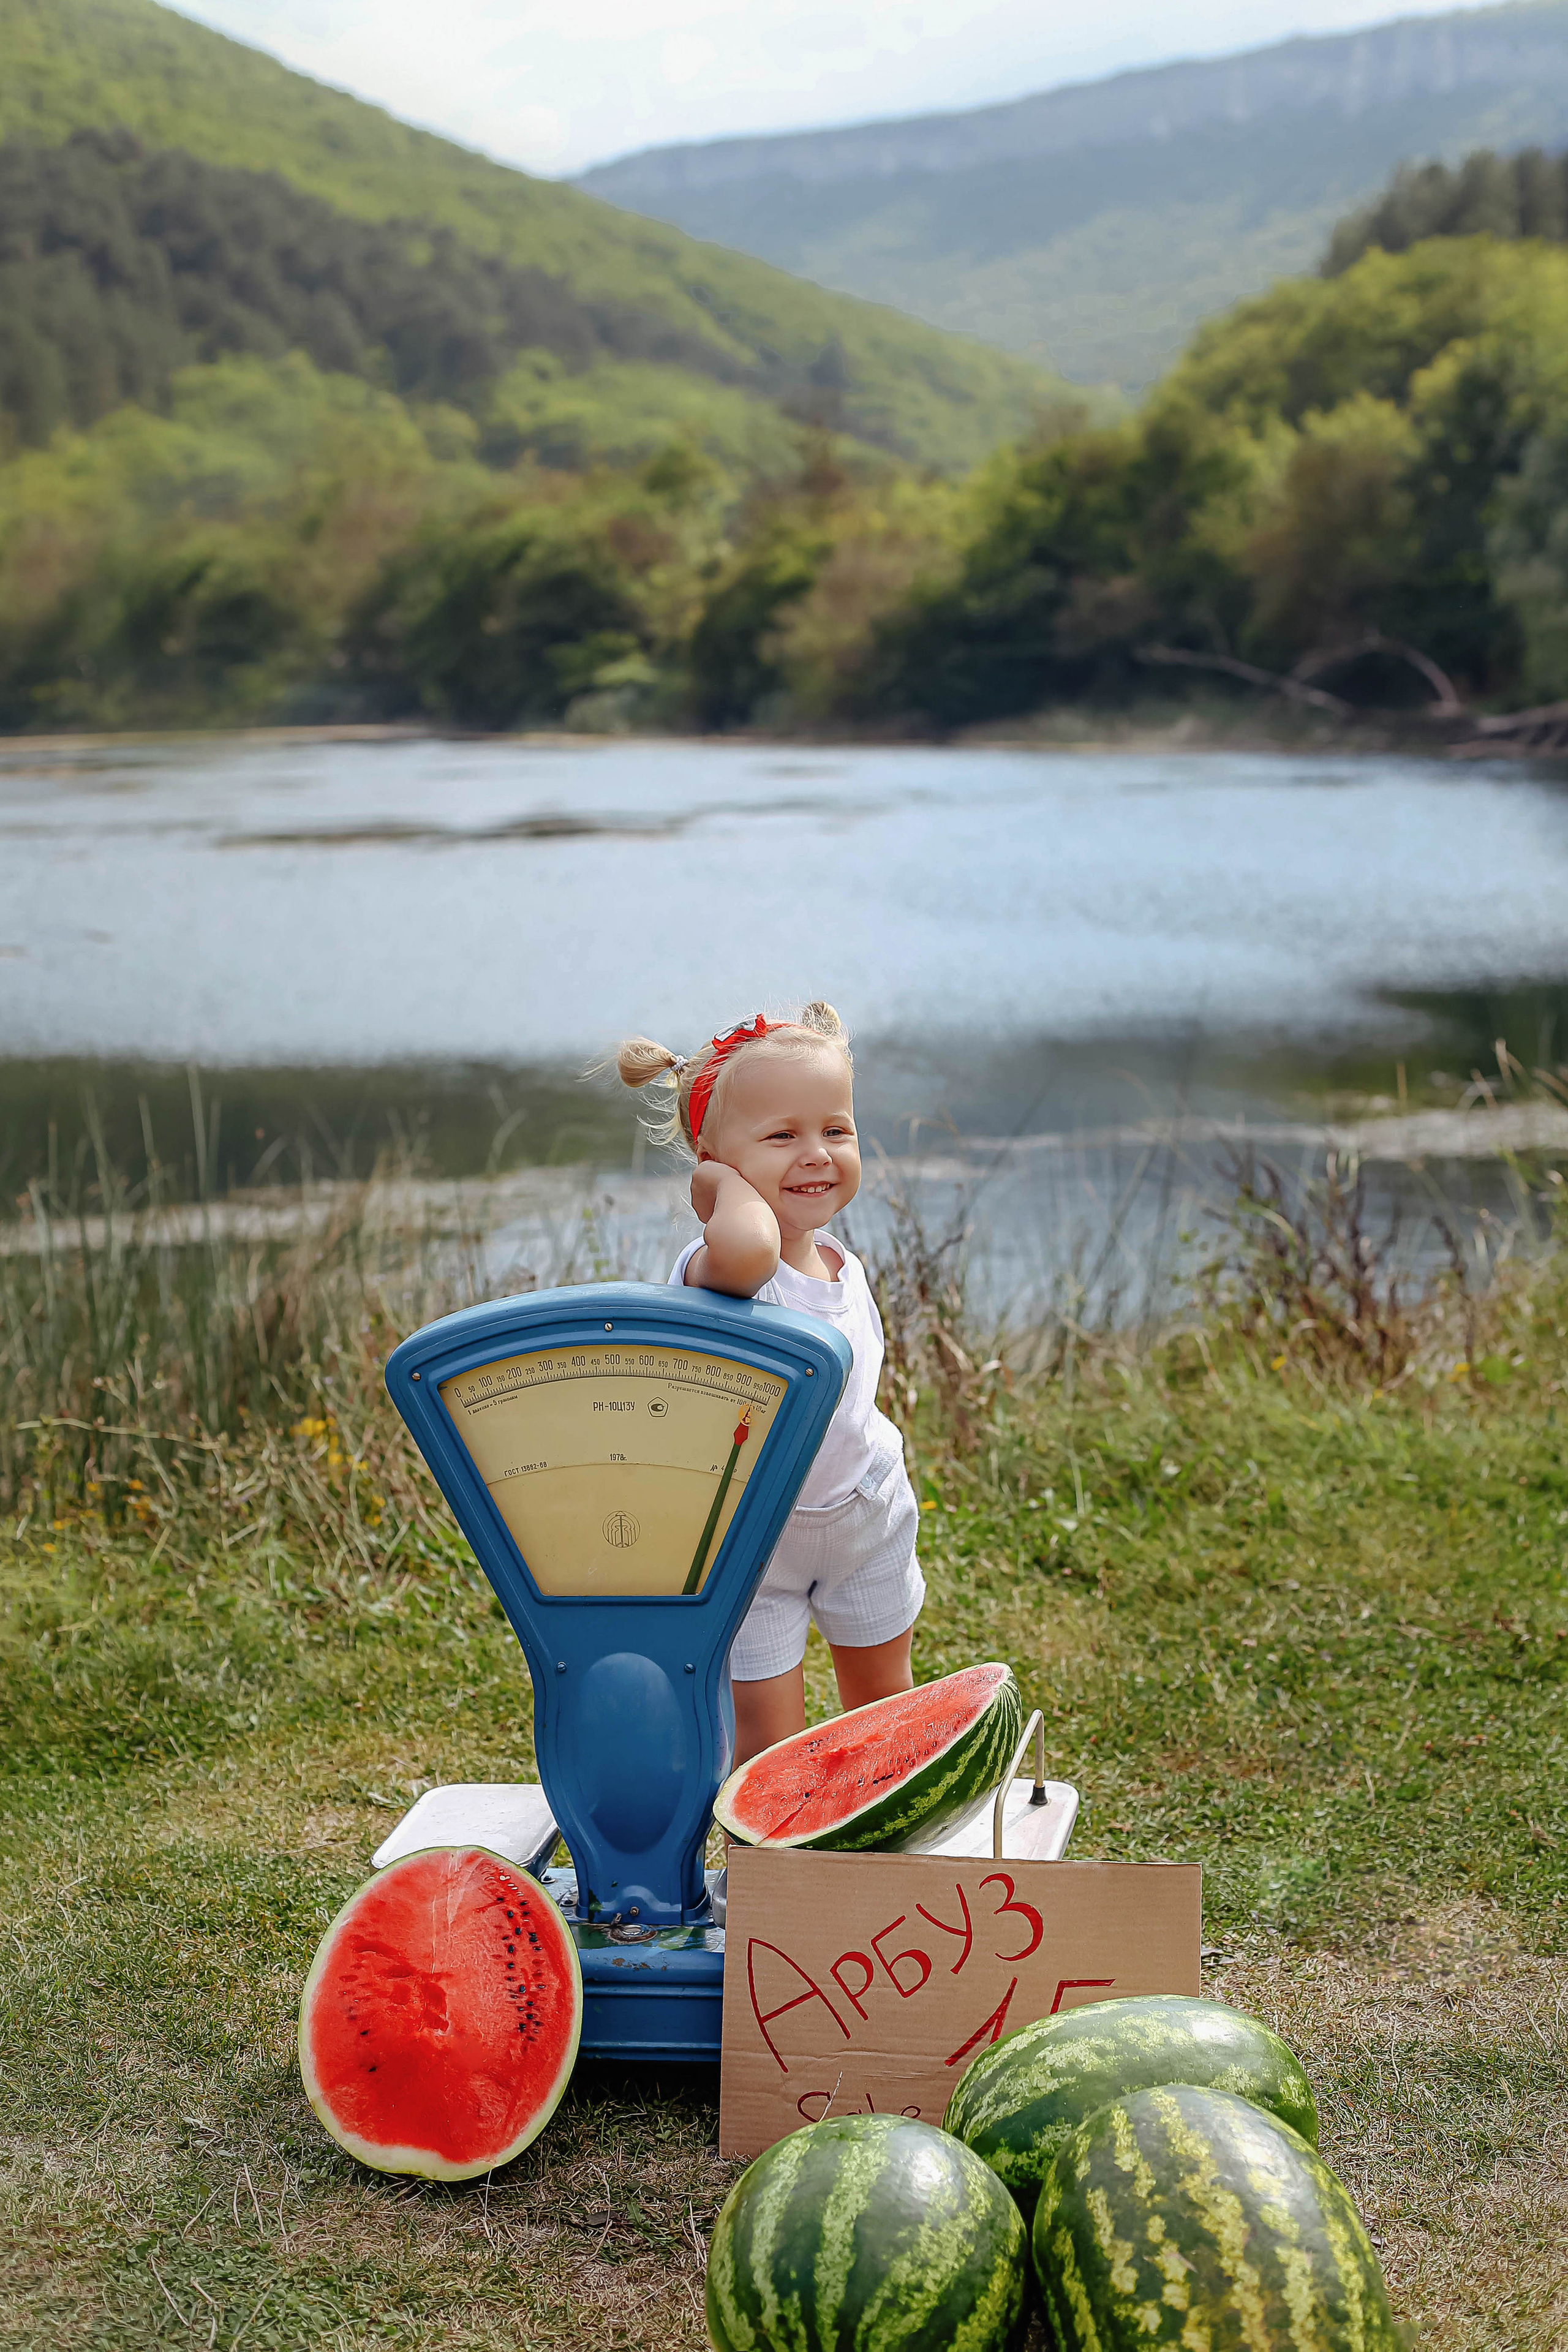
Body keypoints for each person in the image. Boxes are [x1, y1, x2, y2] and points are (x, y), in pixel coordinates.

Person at [616, 1002, 924, 1768]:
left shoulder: (840, 1262)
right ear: (711, 1155)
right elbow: (753, 1245)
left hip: (864, 1514)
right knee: (766, 1740)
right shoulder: (721, 1267)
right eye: (782, 1135)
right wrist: (718, 1185)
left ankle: (881, 1853)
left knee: (886, 1705)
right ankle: (779, 1877)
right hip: (755, 1539)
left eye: (837, 1130)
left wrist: (738, 1162)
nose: (817, 1154)